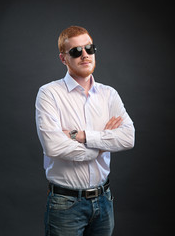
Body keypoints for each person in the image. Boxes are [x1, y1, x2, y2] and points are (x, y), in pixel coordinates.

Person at [35, 25, 135, 236]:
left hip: (104, 200)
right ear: (63, 58)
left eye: (89, 48)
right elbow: (53, 146)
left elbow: (128, 138)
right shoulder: (49, 94)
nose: (85, 55)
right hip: (65, 204)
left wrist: (81, 136)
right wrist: (100, 146)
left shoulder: (109, 95)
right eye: (76, 51)